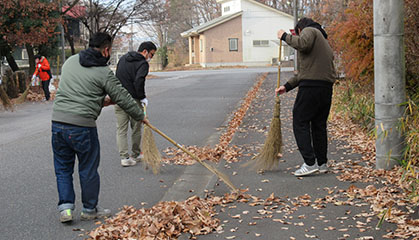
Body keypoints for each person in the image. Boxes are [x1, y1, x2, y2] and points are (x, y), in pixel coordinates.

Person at [51, 32, 147, 223]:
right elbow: (123, 97)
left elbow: (75, 92)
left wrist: (101, 101)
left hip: (58, 124)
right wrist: (141, 116)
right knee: (87, 169)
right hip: (82, 127)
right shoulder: (103, 72)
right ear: (106, 50)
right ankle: (89, 209)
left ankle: (66, 209)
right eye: (110, 50)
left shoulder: (70, 61)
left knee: (63, 169)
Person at [276, 17, 336, 177]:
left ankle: (309, 163)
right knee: (318, 125)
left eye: (297, 33)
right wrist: (287, 86)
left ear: (300, 29)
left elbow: (302, 43)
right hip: (325, 88)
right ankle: (322, 163)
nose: (298, 37)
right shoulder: (323, 41)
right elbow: (304, 72)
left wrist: (284, 36)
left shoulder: (310, 31)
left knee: (300, 120)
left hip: (311, 87)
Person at [114, 41, 157, 167]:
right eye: (151, 55)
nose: (151, 58)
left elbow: (116, 78)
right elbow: (139, 81)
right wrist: (142, 97)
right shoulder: (142, 64)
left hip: (119, 98)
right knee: (136, 127)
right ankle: (136, 153)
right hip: (133, 99)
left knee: (121, 129)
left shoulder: (123, 59)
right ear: (145, 51)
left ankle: (124, 157)